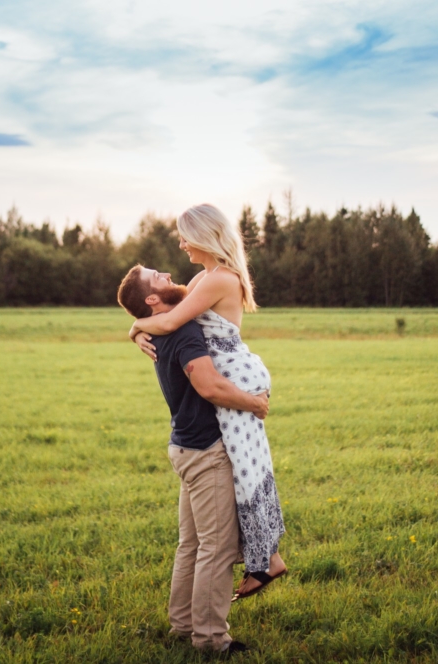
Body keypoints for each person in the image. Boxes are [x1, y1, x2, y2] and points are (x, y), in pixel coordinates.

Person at [126, 203, 286, 600]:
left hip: (234, 377)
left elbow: (167, 321)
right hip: (225, 380)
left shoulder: (221, 279)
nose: (180, 244)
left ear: (204, 237)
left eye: (184, 236)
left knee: (248, 470)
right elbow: (167, 312)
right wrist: (138, 327)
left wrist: (135, 326)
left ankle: (267, 560)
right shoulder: (204, 277)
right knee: (246, 468)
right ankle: (268, 559)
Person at [118, 266, 266, 655]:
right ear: (152, 299)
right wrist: (254, 403)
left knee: (192, 544)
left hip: (182, 447)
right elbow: (209, 385)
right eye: (157, 276)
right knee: (215, 549)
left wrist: (135, 328)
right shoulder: (182, 331)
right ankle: (212, 640)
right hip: (205, 453)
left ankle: (183, 626)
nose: (167, 273)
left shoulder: (158, 328)